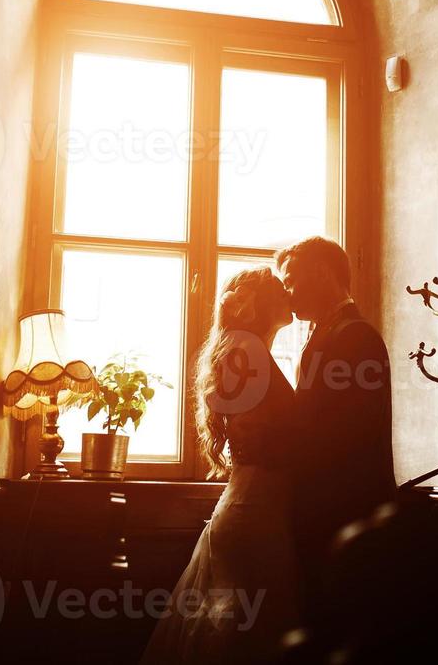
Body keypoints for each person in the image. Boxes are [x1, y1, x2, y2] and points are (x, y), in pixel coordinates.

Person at [140, 266, 301, 664]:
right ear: (260, 303)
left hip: (255, 506)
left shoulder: (248, 348)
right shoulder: (246, 350)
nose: (289, 293)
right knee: (242, 636)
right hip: (255, 511)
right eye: (280, 289)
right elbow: (255, 436)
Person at [274, 236, 396, 637]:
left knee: (340, 625)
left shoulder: (357, 337)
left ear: (323, 273)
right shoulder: (327, 333)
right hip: (322, 507)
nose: (286, 292)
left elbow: (349, 434)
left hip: (344, 510)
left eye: (291, 280)